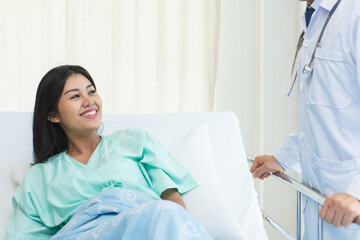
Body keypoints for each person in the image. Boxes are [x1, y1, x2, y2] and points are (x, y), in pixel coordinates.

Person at [7, 65, 211, 239]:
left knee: (166, 214)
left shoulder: (135, 141)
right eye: (76, 96)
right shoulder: (40, 178)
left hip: (145, 226)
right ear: (53, 116)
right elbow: (25, 235)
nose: (89, 101)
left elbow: (172, 205)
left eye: (92, 91)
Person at [250, 0, 360, 239]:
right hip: (320, 201)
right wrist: (284, 158)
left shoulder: (355, 14)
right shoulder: (315, 17)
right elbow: (323, 114)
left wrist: (358, 193)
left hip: (351, 208)